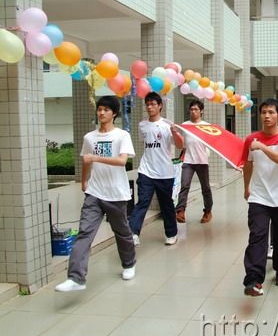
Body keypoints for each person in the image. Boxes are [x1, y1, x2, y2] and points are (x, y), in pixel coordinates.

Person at [55, 96, 136, 292]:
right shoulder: (89, 137)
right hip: (95, 193)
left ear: (114, 113)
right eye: (99, 109)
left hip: (116, 194)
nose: (101, 113)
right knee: (84, 233)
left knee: (122, 233)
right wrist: (84, 181)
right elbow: (86, 160)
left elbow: (122, 161)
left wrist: (95, 158)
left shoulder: (122, 135)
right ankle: (76, 278)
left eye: (106, 110)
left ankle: (129, 264)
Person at [242, 98, 278, 296]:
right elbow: (248, 164)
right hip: (259, 196)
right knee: (257, 236)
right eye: (264, 112)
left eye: (271, 112)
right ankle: (253, 280)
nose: (267, 116)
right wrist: (246, 187)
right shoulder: (251, 140)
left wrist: (263, 147)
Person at [128, 92, 184, 246]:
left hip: (165, 172)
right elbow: (145, 143)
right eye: (147, 104)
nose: (149, 107)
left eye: (153, 104)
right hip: (146, 170)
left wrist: (175, 132)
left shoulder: (167, 125)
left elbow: (180, 145)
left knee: (166, 204)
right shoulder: (142, 125)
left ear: (160, 106)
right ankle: (133, 233)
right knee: (142, 202)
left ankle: (171, 234)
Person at [175, 99, 213, 224]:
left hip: (202, 161)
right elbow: (180, 142)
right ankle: (180, 211)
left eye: (196, 109)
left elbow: (213, 142)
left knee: (205, 188)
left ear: (201, 111)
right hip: (188, 160)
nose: (193, 111)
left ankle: (208, 211)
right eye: (191, 109)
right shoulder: (185, 125)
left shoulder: (206, 126)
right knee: (184, 186)